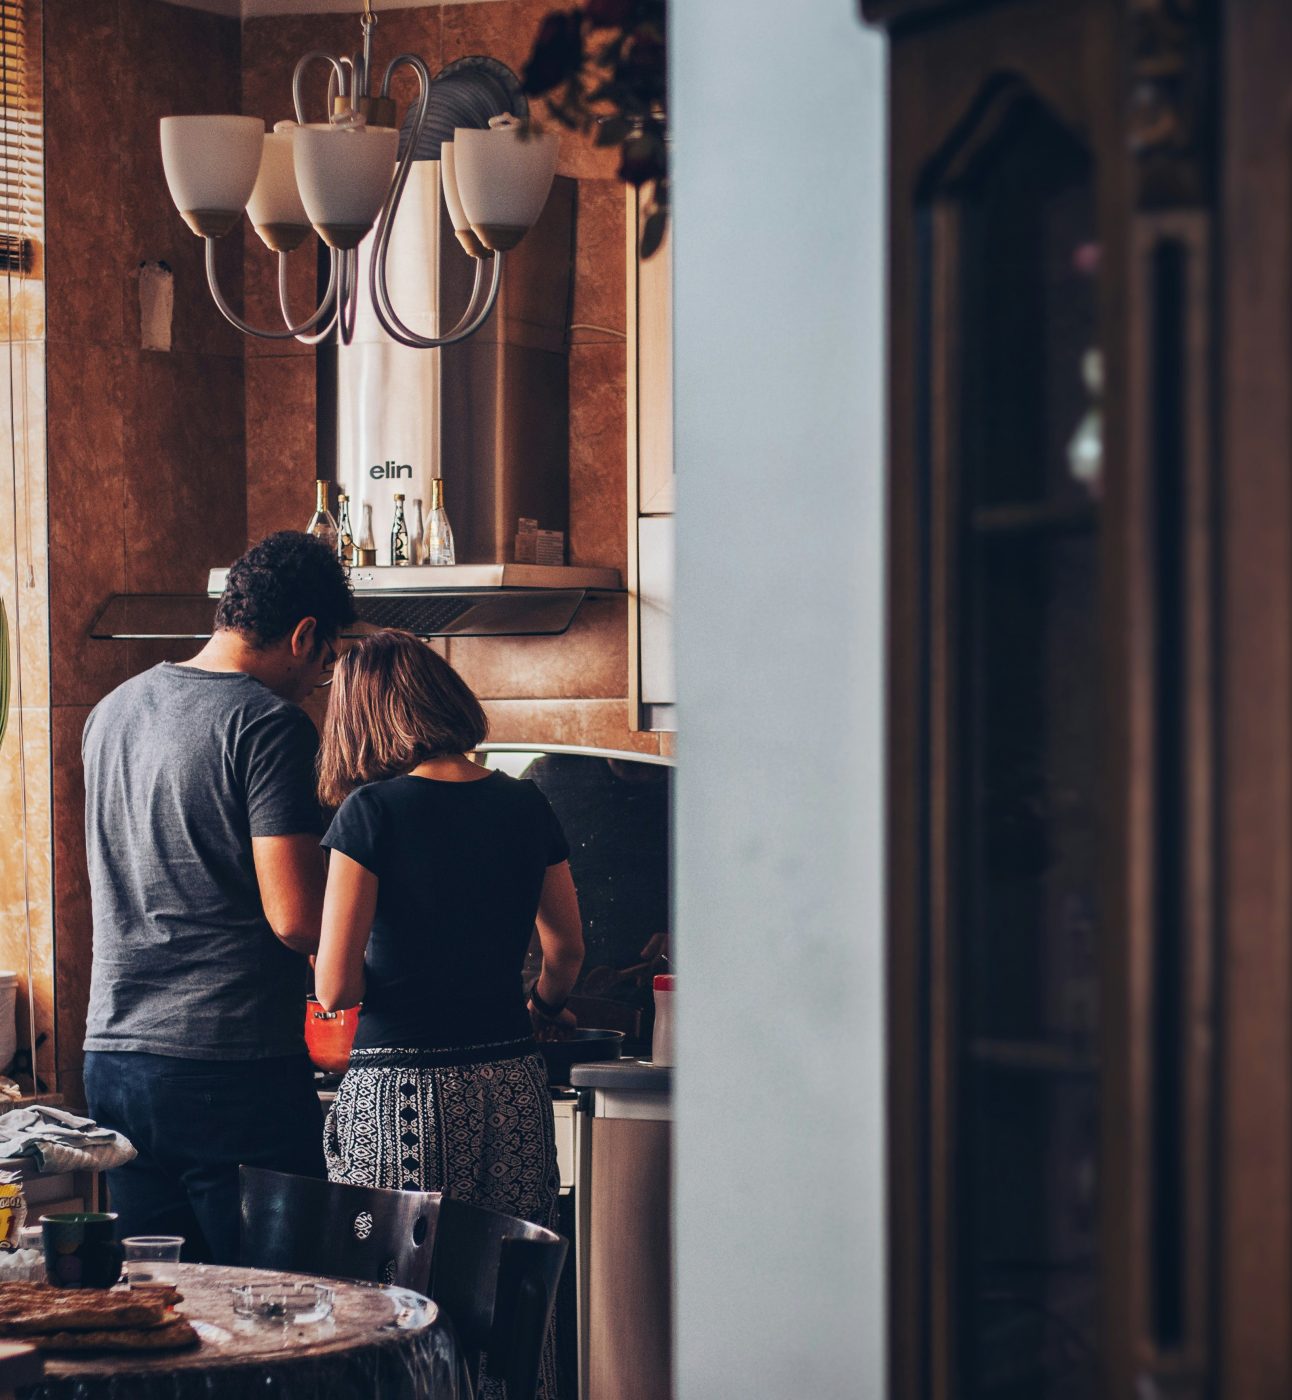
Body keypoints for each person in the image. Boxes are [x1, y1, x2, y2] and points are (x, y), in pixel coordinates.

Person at [313, 630, 584, 1399]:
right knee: (511, 1305)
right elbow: (565, 951)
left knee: (395, 1308)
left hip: (400, 1093)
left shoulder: (371, 813)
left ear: (364, 718)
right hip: (509, 1084)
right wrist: (540, 1008)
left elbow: (335, 987)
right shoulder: (524, 801)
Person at [81, 531, 356, 1264]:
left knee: (167, 1314)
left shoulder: (111, 712)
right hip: (226, 1067)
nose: (317, 682)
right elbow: (296, 918)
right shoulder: (268, 726)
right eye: (326, 663)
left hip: (114, 1060)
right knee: (282, 1317)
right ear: (304, 636)